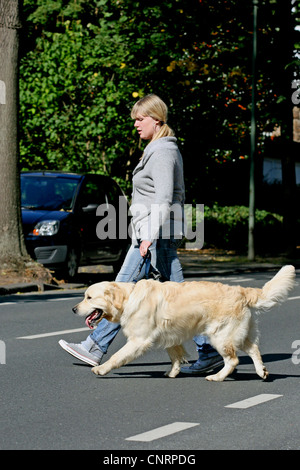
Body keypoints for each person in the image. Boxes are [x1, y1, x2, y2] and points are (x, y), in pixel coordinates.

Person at [59, 93, 223, 374]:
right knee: (169, 296)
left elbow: (163, 197)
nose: (136, 124)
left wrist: (149, 236)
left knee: (123, 289)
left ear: (156, 120)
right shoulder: (159, 149)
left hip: (154, 234)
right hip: (152, 233)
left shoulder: (162, 152)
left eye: (140, 118)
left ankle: (95, 346)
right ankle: (207, 351)